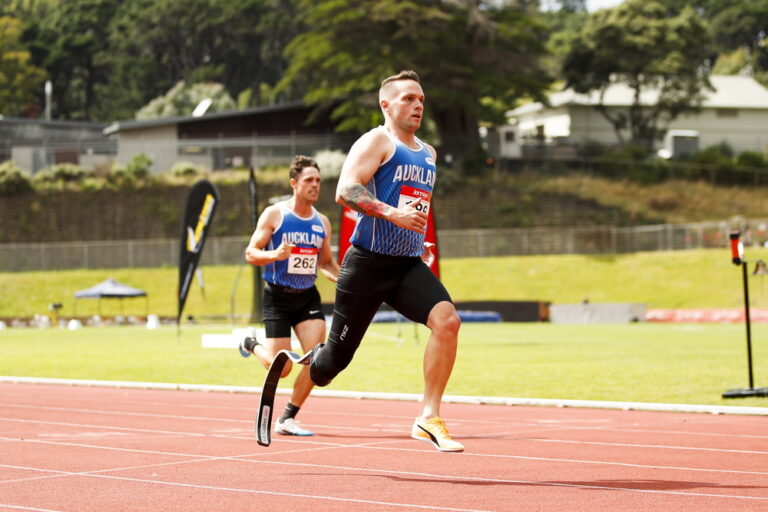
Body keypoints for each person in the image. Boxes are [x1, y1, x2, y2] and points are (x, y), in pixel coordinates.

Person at [306, 70, 464, 452]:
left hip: (406, 263)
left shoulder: (429, 153)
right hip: (367, 264)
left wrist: (419, 237)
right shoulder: (378, 140)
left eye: (421, 100)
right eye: (409, 98)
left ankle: (429, 417)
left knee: (448, 322)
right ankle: (309, 358)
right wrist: (393, 215)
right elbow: (346, 191)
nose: (417, 105)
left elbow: (416, 201)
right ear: (386, 104)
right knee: (330, 368)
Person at [239, 155, 339, 436]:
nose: (315, 185)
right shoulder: (276, 215)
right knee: (280, 369)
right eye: (309, 180)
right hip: (277, 298)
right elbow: (250, 252)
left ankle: (287, 417)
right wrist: (275, 254)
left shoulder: (322, 222)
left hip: (307, 297)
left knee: (317, 360)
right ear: (294, 183)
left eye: (318, 181)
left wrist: (346, 279)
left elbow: (326, 262)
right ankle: (250, 344)